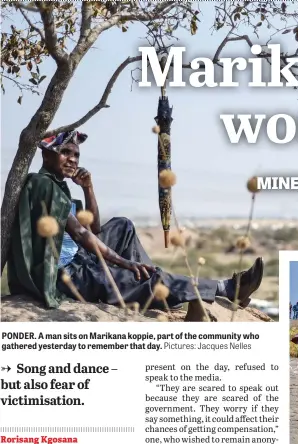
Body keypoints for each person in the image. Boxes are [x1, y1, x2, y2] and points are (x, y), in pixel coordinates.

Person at [6, 131, 264, 321]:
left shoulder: (58, 186)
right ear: (47, 155)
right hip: (65, 273)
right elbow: (81, 233)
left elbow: (94, 229)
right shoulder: (41, 184)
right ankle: (223, 288)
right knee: (136, 272)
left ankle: (147, 277)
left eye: (75, 155)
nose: (72, 160)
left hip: (80, 256)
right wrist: (124, 263)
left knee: (123, 225)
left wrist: (88, 189)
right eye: (65, 153)